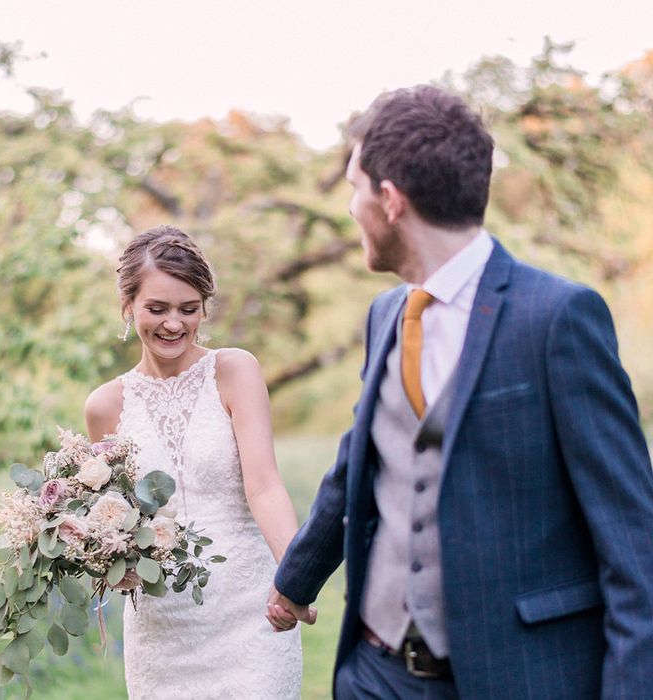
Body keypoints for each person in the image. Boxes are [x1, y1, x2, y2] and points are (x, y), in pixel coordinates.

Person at [267, 85, 653, 699]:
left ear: (390, 201)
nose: (348, 208)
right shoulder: (385, 314)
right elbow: (363, 460)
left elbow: (634, 542)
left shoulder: (557, 318)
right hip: (377, 672)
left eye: (353, 188)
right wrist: (296, 578)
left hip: (513, 679)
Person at [84, 225, 303, 699]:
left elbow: (264, 486)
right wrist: (102, 559)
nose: (174, 324)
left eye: (189, 309)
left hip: (249, 615)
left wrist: (296, 576)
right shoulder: (104, 407)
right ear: (128, 307)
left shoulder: (234, 371)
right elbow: (113, 525)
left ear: (205, 307)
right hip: (161, 631)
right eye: (156, 308)